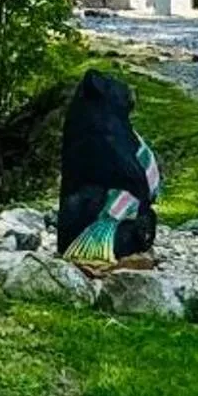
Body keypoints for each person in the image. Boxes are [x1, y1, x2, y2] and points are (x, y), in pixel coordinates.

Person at [55, 65, 161, 266]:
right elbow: (123, 171)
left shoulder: (111, 125)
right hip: (92, 214)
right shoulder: (98, 135)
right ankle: (97, 249)